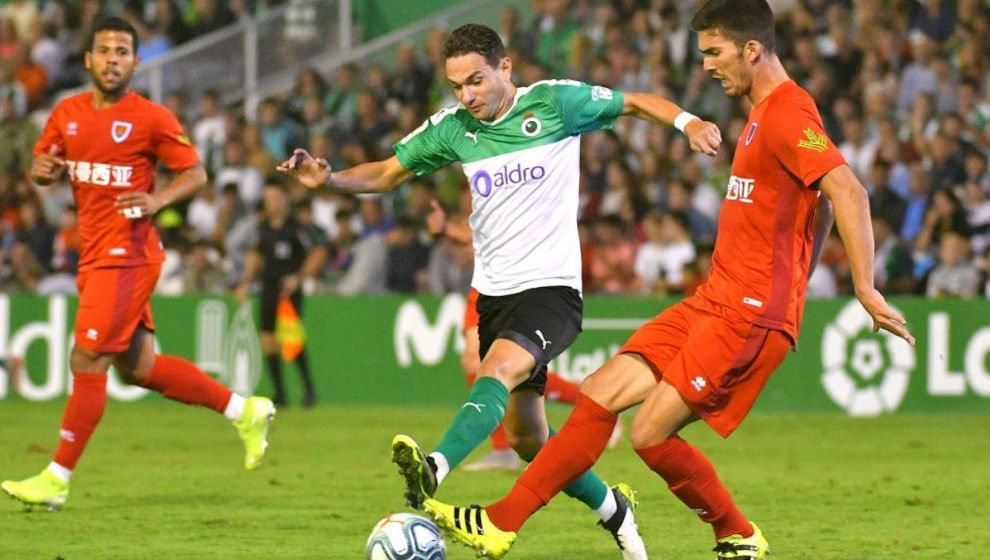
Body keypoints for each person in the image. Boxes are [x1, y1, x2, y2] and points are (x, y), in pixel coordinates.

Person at [422, 3, 916, 559]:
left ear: (751, 49)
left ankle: (735, 532)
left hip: (749, 312)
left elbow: (847, 191)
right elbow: (817, 204)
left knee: (649, 434)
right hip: (713, 299)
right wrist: (800, 256)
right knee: (599, 393)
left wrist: (864, 287)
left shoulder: (786, 113)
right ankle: (503, 523)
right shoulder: (759, 113)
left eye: (713, 52)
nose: (704, 65)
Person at [279, 23, 720, 559]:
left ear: (505, 68)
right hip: (494, 293)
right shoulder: (453, 128)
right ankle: (616, 512)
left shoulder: (557, 104)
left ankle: (434, 468)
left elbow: (634, 103)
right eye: (457, 85)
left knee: (495, 371)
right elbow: (388, 173)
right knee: (529, 440)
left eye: (477, 81)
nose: (467, 95)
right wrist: (328, 180)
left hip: (552, 289)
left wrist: (688, 121)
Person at [1, 17, 275, 511]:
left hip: (127, 256)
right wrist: (42, 172)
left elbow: (195, 174)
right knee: (140, 369)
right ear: (87, 59)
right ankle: (244, 409)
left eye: (123, 51)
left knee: (86, 361)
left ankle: (56, 478)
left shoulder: (150, 117)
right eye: (103, 50)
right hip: (95, 254)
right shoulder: (67, 113)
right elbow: (44, 167)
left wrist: (155, 201)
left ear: (135, 61)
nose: (112, 59)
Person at [424, 199, 618, 472]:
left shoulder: (518, 173)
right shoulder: (482, 176)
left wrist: (448, 229)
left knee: (503, 366)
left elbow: (492, 232)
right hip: (486, 281)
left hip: (516, 283)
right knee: (482, 362)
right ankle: (506, 447)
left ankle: (594, 405)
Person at [236, 181, 327, 407]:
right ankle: (280, 393)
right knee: (267, 338)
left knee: (291, 338)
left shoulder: (297, 228)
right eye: (268, 199)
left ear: (286, 199)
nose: (272, 204)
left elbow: (318, 251)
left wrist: (299, 277)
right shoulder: (263, 228)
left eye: (276, 198)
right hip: (268, 287)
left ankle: (308, 389)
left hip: (289, 291)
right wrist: (245, 282)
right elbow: (255, 255)